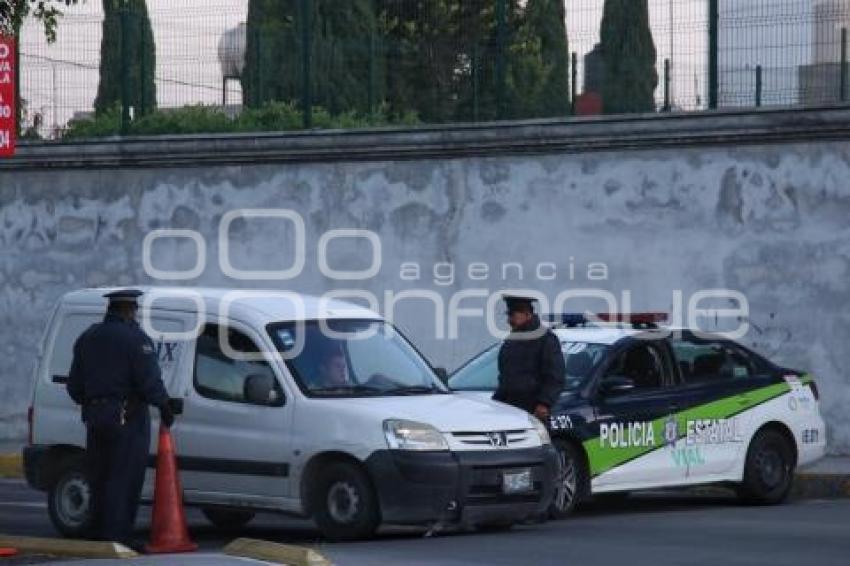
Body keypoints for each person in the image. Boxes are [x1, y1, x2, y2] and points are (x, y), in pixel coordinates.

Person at [66, 289, 175, 550]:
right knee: (124, 477)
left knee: (99, 475)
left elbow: (74, 386)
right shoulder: (135, 339)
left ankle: (95, 531)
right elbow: (149, 382)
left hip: (95, 416)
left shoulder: (87, 337)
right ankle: (118, 536)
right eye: (134, 310)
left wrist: (94, 404)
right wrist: (165, 406)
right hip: (127, 416)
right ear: (128, 310)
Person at [492, 294, 566, 422]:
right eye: (508, 315)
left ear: (527, 314)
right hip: (509, 409)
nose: (509, 321)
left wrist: (544, 403)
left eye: (512, 315)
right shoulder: (511, 341)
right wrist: (496, 402)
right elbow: (504, 377)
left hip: (534, 410)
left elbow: (555, 376)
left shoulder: (546, 339)